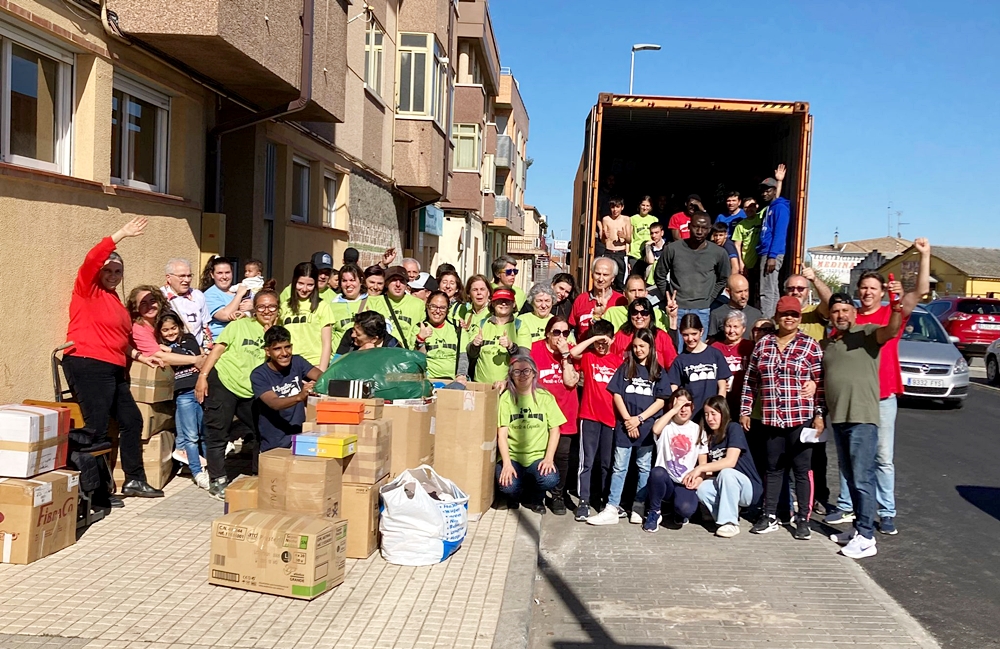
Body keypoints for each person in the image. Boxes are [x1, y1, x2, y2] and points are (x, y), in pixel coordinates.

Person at [824, 238, 932, 535]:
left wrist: (925, 256)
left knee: (882, 458)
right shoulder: (848, 317)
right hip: (852, 400)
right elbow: (828, 305)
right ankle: (848, 507)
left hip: (882, 396)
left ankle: (886, 512)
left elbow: (920, 291)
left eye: (873, 288)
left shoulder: (889, 314)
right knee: (849, 460)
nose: (868, 292)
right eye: (864, 288)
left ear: (882, 292)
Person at [63, 218, 164, 500]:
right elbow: (91, 259)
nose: (112, 275)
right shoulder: (87, 290)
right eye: (108, 270)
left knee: (131, 421)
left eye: (117, 271)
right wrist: (122, 234)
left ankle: (134, 480)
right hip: (88, 363)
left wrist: (143, 357)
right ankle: (92, 492)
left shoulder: (114, 302)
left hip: (114, 368)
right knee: (95, 428)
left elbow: (119, 340)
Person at [823, 292, 903, 559]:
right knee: (850, 476)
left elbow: (891, 330)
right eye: (836, 311)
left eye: (846, 310)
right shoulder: (831, 343)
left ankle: (867, 537)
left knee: (862, 478)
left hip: (862, 419)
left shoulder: (867, 334)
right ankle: (858, 528)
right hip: (840, 419)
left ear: (854, 314)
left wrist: (895, 307)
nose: (841, 315)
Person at [739, 295, 825, 539]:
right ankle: (769, 515)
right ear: (777, 317)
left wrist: (819, 414)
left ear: (799, 318)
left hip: (800, 418)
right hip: (771, 418)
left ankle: (802, 520)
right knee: (773, 468)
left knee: (801, 469)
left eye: (794, 314)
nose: (789, 318)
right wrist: (745, 409)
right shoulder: (764, 344)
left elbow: (820, 383)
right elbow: (751, 380)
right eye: (785, 314)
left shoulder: (810, 345)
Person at [195, 285, 281, 500]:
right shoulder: (239, 325)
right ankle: (217, 480)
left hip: (252, 390)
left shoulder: (279, 333)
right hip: (224, 381)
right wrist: (203, 376)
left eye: (271, 307)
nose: (266, 311)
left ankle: (257, 475)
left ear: (278, 308)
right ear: (254, 308)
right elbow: (217, 350)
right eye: (261, 307)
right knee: (217, 432)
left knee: (262, 431)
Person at [587, 329, 668, 526]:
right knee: (619, 467)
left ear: (651, 347)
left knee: (643, 467)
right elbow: (617, 395)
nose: (639, 350)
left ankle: (639, 506)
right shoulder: (625, 367)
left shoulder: (657, 370)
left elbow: (661, 400)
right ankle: (612, 507)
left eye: (643, 346)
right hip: (625, 425)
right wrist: (628, 420)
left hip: (646, 427)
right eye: (636, 346)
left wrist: (639, 419)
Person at [496, 355, 566, 513]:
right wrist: (506, 463)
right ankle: (516, 494)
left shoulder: (545, 397)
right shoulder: (506, 399)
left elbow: (555, 430)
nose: (522, 375)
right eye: (517, 372)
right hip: (514, 457)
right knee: (508, 484)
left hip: (537, 457)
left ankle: (534, 498)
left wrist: (549, 459)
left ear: (534, 373)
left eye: (526, 371)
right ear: (511, 376)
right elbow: (502, 435)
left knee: (550, 478)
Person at [687, 396, 763, 538]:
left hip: (749, 489)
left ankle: (730, 522)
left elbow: (730, 461)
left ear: (723, 413)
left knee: (727, 472)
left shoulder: (733, 428)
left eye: (714, 414)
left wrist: (699, 469)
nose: (710, 418)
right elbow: (709, 470)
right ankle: (725, 515)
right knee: (702, 488)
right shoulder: (708, 437)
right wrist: (698, 479)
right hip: (727, 487)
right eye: (706, 414)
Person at [530, 317, 580, 515]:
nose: (561, 337)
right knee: (539, 454)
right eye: (557, 332)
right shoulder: (535, 348)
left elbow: (570, 382)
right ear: (548, 333)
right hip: (540, 411)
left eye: (565, 333)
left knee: (562, 456)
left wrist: (565, 355)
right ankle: (538, 495)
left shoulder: (570, 351)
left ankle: (558, 494)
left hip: (565, 410)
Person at [654, 212, 730, 344]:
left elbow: (723, 278)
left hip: (702, 309)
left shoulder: (718, 252)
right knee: (675, 349)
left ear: (710, 228)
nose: (700, 231)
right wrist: (669, 297)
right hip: (677, 309)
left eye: (704, 228)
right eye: (696, 227)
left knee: (697, 350)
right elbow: (659, 275)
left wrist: (709, 298)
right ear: (689, 226)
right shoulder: (673, 249)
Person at [569, 320, 618, 522]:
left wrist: (606, 342)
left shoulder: (618, 361)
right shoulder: (588, 357)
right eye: (598, 342)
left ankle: (605, 500)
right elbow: (573, 354)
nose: (601, 346)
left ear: (612, 339)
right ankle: (584, 501)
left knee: (607, 463)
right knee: (586, 461)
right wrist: (594, 338)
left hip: (611, 418)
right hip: (589, 416)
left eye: (605, 341)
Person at [155, 312, 209, 490]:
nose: (170, 333)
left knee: (203, 432)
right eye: (165, 330)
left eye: (173, 328)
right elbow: (164, 359)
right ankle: (197, 471)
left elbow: (193, 353)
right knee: (191, 436)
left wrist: (171, 351)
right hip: (182, 394)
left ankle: (209, 468)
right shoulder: (158, 346)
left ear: (179, 326)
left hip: (200, 388)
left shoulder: (187, 338)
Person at [251, 326, 323, 453]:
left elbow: (321, 376)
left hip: (299, 436)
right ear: (268, 351)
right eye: (277, 349)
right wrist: (300, 397)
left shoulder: (297, 362)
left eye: (287, 347)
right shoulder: (259, 375)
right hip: (274, 442)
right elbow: (274, 403)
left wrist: (317, 383)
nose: (284, 353)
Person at [642, 390, 703, 532]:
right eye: (679, 405)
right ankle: (655, 512)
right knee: (657, 473)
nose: (683, 409)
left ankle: (677, 510)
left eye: (686, 405)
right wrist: (673, 409)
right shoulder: (665, 425)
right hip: (666, 481)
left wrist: (699, 478)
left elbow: (703, 463)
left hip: (684, 482)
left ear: (692, 407)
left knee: (685, 509)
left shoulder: (698, 430)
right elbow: (656, 429)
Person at [666, 314, 732, 416]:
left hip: (712, 414)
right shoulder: (680, 360)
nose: (690, 338)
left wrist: (718, 410)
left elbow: (722, 388)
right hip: (690, 415)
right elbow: (673, 389)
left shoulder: (715, 354)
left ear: (701, 331)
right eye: (685, 335)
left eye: (694, 333)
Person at [279, 262, 334, 371]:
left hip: (314, 365)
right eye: (300, 283)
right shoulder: (284, 306)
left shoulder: (322, 306)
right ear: (294, 282)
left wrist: (320, 373)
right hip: (289, 366)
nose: (304, 289)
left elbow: (327, 344)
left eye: (310, 285)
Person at [468, 288, 523, 385]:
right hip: (480, 383)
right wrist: (475, 345)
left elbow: (524, 358)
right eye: (499, 301)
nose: (503, 304)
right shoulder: (482, 323)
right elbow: (471, 354)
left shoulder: (520, 326)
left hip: (507, 385)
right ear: (493, 304)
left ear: (514, 304)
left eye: (507, 301)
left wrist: (511, 346)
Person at [757, 167, 791, 319]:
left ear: (774, 190)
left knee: (767, 290)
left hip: (771, 253)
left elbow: (780, 233)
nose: (764, 193)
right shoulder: (772, 207)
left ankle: (767, 321)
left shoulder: (780, 208)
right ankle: (774, 318)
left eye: (768, 190)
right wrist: (779, 180)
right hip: (767, 251)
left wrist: (772, 255)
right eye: (763, 191)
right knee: (772, 287)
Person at [610, 297, 678, 369]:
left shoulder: (661, 336)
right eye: (634, 312)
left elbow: (672, 366)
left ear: (650, 316)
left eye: (644, 313)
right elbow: (609, 362)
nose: (639, 316)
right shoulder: (620, 336)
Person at [416, 291, 469, 383]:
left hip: (454, 380)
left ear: (448, 309)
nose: (437, 311)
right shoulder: (419, 327)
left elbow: (463, 356)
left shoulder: (457, 327)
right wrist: (420, 340)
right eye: (433, 306)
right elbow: (417, 359)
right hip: (428, 380)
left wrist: (461, 375)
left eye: (442, 308)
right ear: (427, 306)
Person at [367, 265, 426, 348]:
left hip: (407, 355)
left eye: (402, 281)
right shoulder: (373, 302)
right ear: (386, 283)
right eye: (394, 280)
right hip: (382, 354)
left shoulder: (418, 304)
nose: (398, 284)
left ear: (406, 284)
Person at [569, 257, 625, 340]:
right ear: (592, 275)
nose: (601, 279)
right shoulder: (581, 299)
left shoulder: (621, 301)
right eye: (597, 274)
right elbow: (571, 330)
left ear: (613, 278)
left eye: (605, 275)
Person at [711, 310, 755, 416]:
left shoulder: (750, 346)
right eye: (728, 326)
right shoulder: (715, 347)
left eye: (736, 327)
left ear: (743, 329)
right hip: (722, 399)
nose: (731, 331)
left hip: (743, 400)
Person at [162, 258, 211, 349]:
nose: (187, 280)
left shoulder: (198, 295)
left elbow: (205, 327)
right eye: (182, 276)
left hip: (197, 351)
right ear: (169, 278)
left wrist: (207, 350)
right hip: (172, 352)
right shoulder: (160, 297)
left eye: (189, 276)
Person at [201, 256, 253, 340]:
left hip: (244, 338)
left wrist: (253, 307)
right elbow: (225, 316)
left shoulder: (240, 289)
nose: (224, 277)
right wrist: (239, 295)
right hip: (222, 340)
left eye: (227, 272)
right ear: (212, 275)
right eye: (220, 273)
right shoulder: (209, 294)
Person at [602, 274, 671, 332]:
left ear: (646, 293)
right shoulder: (612, 313)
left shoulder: (658, 314)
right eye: (632, 291)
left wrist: (672, 317)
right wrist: (597, 315)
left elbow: (666, 339)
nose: (637, 294)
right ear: (625, 294)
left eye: (640, 290)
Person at [709, 274, 762, 341]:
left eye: (746, 291)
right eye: (739, 292)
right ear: (728, 292)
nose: (743, 296)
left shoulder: (756, 314)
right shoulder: (717, 314)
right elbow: (711, 341)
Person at [127, 285, 174, 358]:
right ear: (135, 307)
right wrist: (195, 360)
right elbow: (160, 356)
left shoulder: (162, 322)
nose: (149, 306)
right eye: (143, 303)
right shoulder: (139, 329)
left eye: (153, 301)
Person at [331, 264, 368, 355]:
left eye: (352, 280)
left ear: (361, 281)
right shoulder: (332, 306)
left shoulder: (373, 302)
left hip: (366, 358)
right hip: (340, 359)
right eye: (344, 281)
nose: (348, 284)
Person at [732, 197, 763, 298]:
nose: (749, 209)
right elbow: (737, 245)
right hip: (747, 263)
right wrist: (741, 263)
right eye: (746, 207)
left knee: (761, 290)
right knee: (747, 290)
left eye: (752, 206)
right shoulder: (740, 226)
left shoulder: (762, 218)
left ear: (757, 206)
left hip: (760, 260)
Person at [600, 197, 631, 291]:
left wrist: (624, 236)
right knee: (605, 279)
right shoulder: (606, 219)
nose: (615, 210)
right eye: (613, 207)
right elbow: (602, 241)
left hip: (620, 253)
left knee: (620, 281)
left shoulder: (626, 219)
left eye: (617, 207)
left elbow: (629, 240)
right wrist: (604, 236)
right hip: (608, 252)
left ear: (622, 207)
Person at [793, 269, 833, 341]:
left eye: (800, 288)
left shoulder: (815, 312)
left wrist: (814, 280)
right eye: (790, 288)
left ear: (808, 292)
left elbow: (829, 301)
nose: (795, 292)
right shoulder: (779, 316)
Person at [628, 196, 658, 275]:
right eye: (643, 205)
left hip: (650, 254)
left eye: (647, 206)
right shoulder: (633, 219)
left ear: (651, 207)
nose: (645, 208)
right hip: (636, 254)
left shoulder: (654, 219)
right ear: (639, 206)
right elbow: (629, 237)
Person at [641, 221, 667, 286]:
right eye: (651, 233)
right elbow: (650, 261)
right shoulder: (647, 246)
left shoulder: (669, 245)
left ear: (662, 233)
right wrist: (647, 247)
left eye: (656, 233)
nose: (653, 236)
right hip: (651, 279)